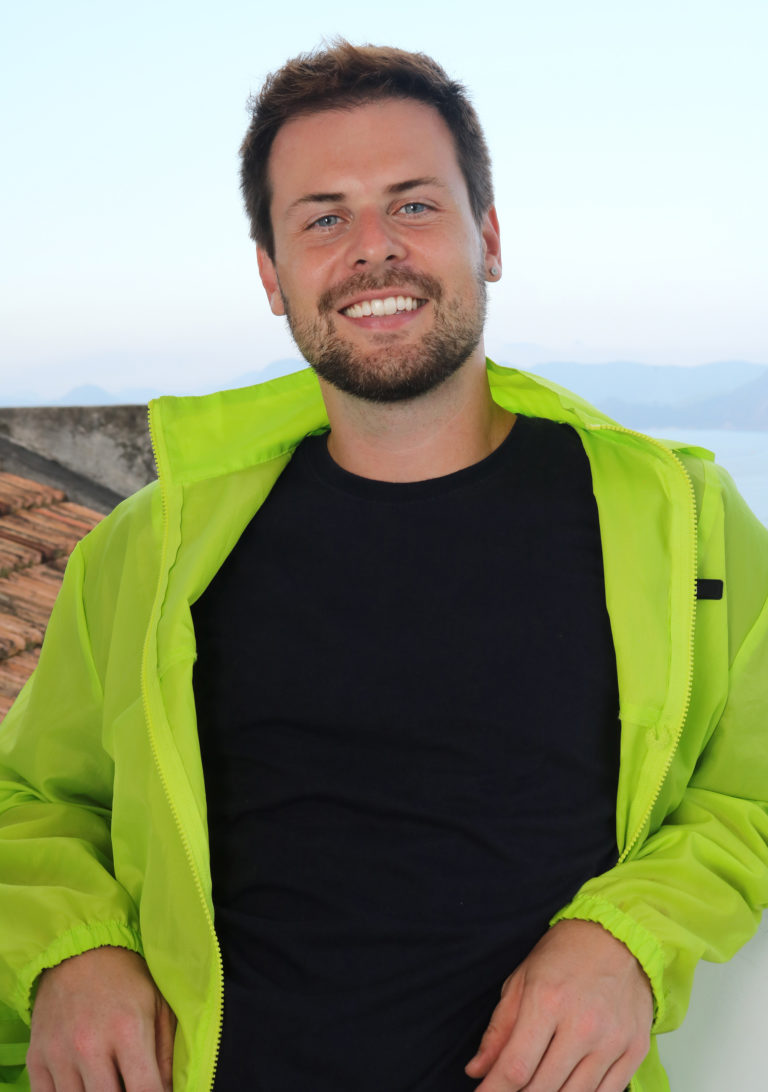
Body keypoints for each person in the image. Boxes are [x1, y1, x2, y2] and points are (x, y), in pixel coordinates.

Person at [1, 41, 767, 1092]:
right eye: (323, 219)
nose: (374, 249)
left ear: (487, 237)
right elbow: (33, 796)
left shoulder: (683, 524)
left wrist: (629, 938)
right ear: (272, 275)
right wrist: (75, 949)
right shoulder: (147, 550)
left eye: (413, 205)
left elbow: (751, 790)